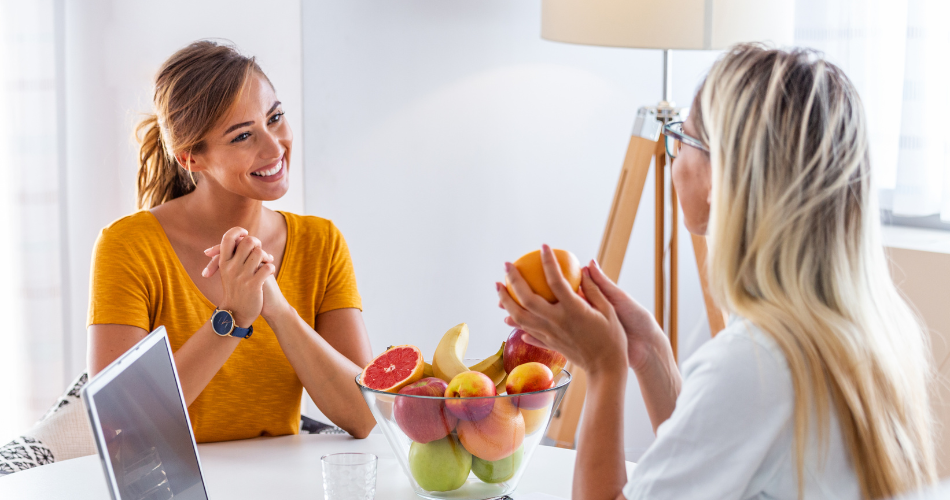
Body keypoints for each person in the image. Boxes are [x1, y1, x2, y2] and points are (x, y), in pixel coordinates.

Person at [497, 44, 936, 499]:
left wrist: (604, 369)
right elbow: (705, 464)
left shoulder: (756, 361)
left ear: (721, 174)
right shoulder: (857, 332)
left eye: (680, 137)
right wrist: (650, 355)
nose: (673, 156)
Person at [86, 40, 376, 443]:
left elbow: (365, 415)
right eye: (242, 136)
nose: (275, 147)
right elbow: (119, 428)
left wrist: (276, 308)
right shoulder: (128, 247)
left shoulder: (321, 243)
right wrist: (232, 319)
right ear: (191, 158)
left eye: (275, 118)